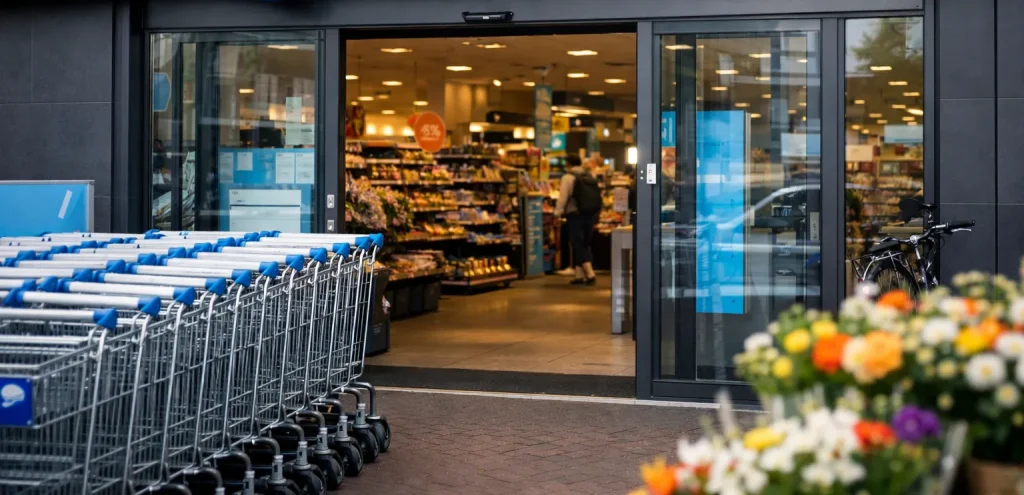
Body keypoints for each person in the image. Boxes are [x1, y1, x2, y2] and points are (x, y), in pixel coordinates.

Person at [555, 154, 602, 285]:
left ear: (568, 164)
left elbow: (563, 197)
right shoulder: (589, 176)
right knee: (585, 242)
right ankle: (579, 275)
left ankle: (590, 273)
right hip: (590, 213)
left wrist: (557, 213)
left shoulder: (568, 177)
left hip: (575, 214)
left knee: (577, 242)